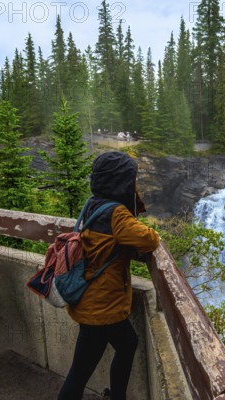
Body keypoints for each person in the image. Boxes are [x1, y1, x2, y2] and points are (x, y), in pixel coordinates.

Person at [58, 151, 160, 400]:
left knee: (124, 345)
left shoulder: (93, 203)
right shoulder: (116, 213)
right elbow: (148, 239)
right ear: (121, 181)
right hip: (102, 305)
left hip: (91, 299)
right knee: (82, 370)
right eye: (131, 178)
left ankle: (117, 396)